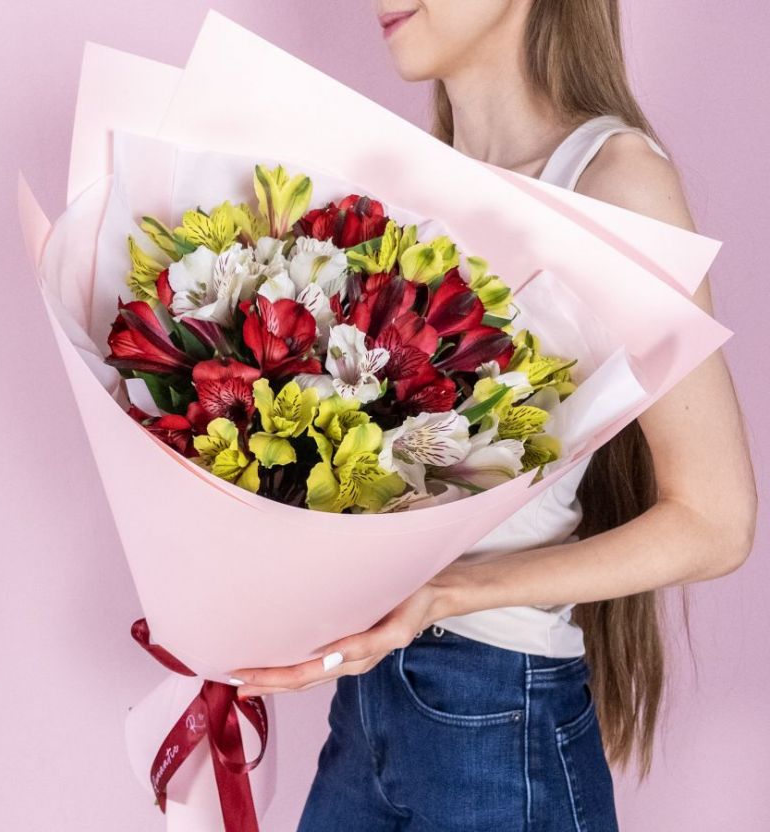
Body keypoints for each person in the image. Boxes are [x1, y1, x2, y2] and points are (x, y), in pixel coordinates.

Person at [230, 2, 758, 829]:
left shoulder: (615, 182)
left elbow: (716, 521)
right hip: (371, 704)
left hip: (497, 723)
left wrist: (446, 594)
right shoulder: (407, 184)